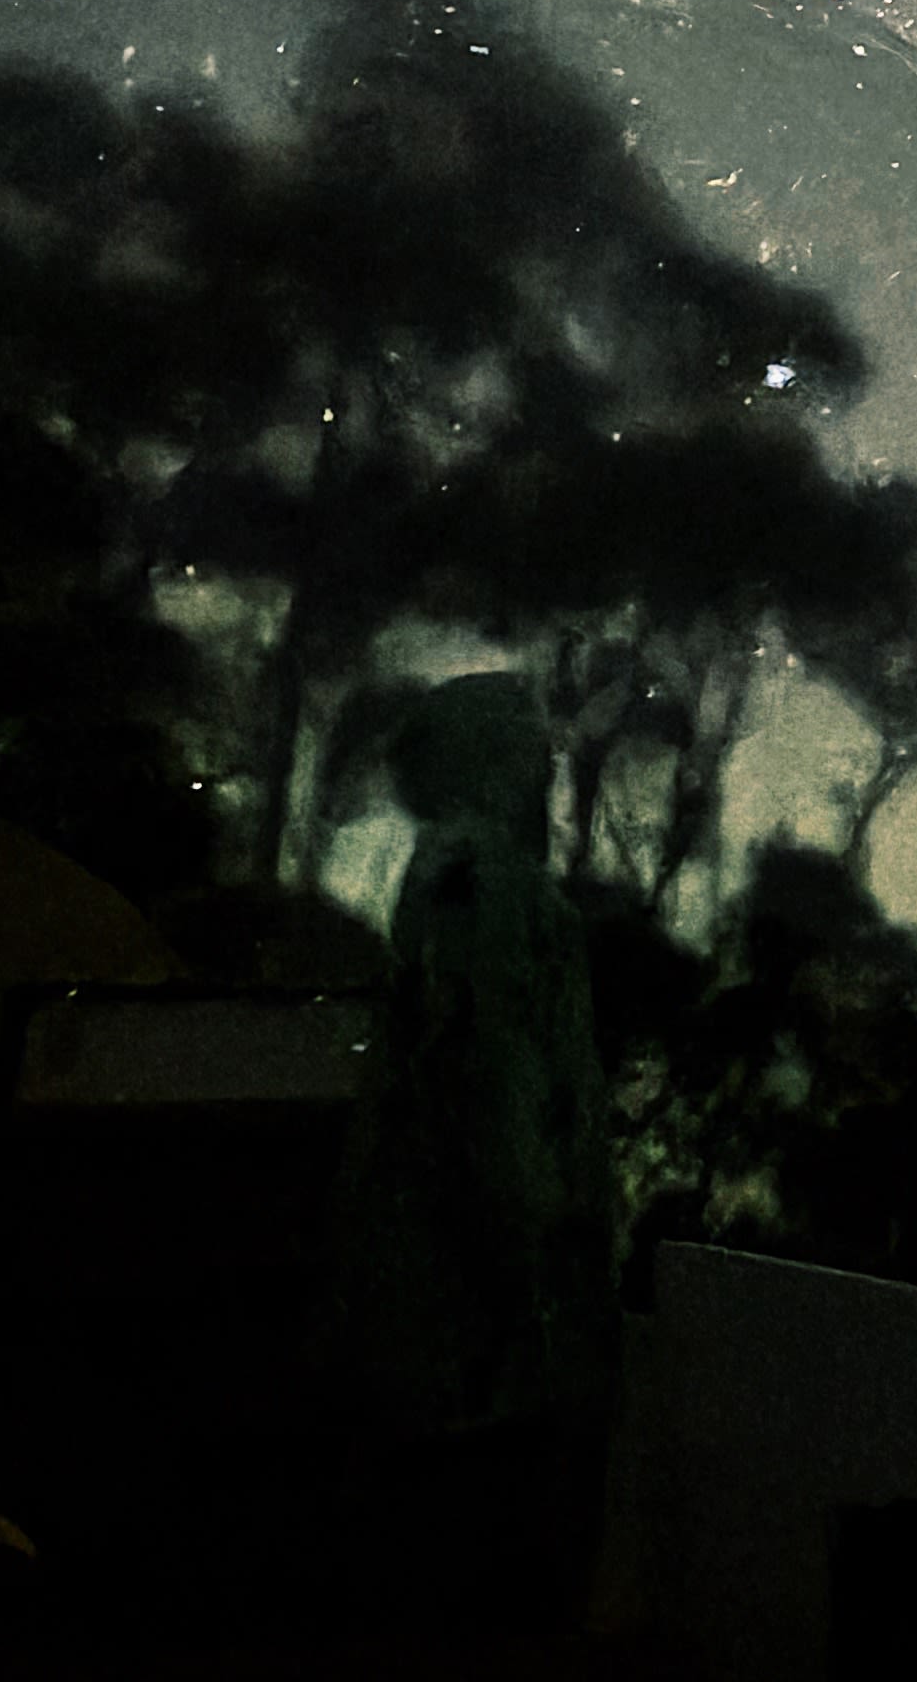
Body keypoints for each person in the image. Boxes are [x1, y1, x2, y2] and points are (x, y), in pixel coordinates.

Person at [315, 674, 620, 1628]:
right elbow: (488, 1078)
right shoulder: (477, 879)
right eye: (531, 747)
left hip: (469, 1323)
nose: (548, 765)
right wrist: (533, 1264)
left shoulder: (462, 874)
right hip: (476, 1337)